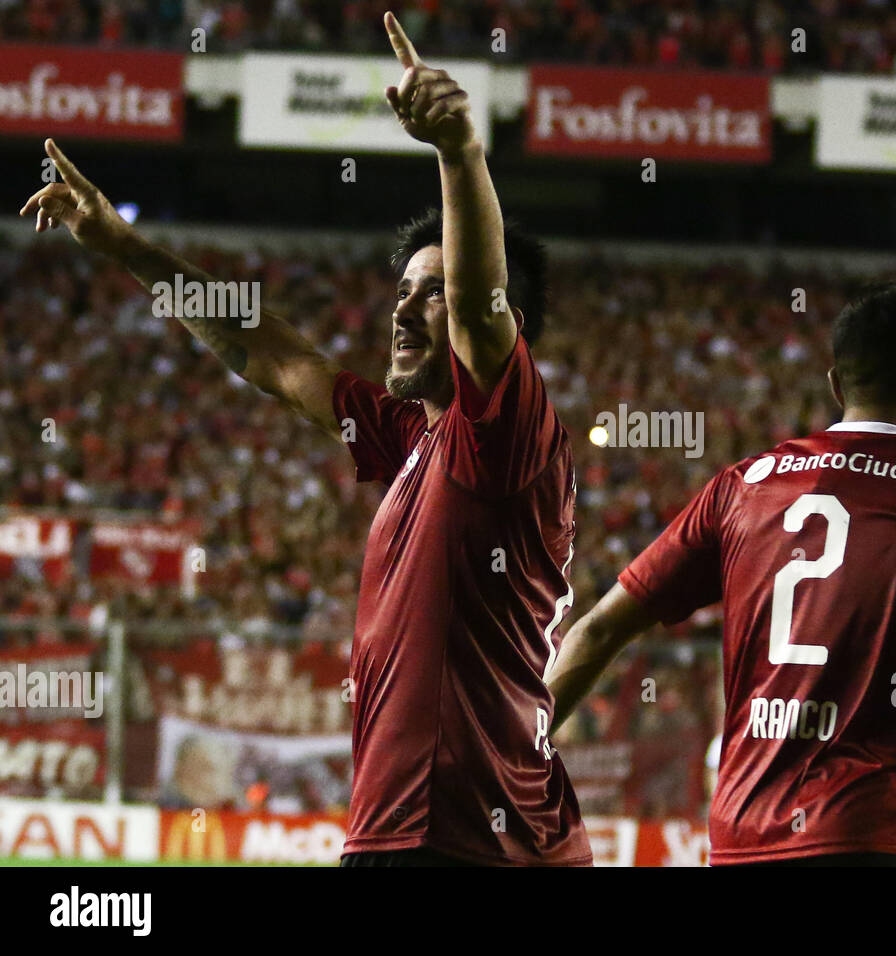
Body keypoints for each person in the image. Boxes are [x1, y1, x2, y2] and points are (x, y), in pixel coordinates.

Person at [19, 12, 590, 867]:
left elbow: (481, 308)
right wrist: (124, 246)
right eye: (400, 288)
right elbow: (269, 354)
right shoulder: (412, 439)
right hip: (455, 830)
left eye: (429, 292)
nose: (403, 306)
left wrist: (459, 152)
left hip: (453, 836)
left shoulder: (504, 432)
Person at [547, 280, 896, 866]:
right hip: (882, 836)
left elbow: (600, 629)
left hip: (745, 841)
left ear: (837, 385)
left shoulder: (743, 487)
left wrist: (518, 757)